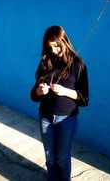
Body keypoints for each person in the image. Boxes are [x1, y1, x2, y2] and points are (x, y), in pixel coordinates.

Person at [30, 25, 89, 181]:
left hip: (67, 119)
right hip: (45, 116)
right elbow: (33, 95)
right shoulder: (46, 62)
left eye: (56, 45)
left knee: (62, 159)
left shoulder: (78, 64)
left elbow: (84, 99)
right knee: (50, 159)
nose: (54, 50)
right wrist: (39, 91)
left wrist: (65, 92)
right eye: (50, 47)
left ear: (64, 41)